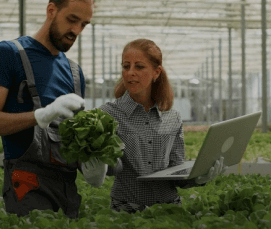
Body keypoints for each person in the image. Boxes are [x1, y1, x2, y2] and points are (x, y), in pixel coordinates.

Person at [0, 0, 95, 219]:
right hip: (27, 185)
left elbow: (72, 139)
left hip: (67, 189)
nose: (76, 30)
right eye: (72, 19)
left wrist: (94, 160)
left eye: (83, 24)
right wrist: (40, 115)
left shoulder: (75, 73)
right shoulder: (10, 54)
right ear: (51, 10)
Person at [95, 38, 225, 214]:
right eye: (126, 66)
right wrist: (97, 164)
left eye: (139, 66)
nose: (130, 72)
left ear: (156, 72)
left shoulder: (173, 117)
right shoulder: (108, 114)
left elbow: (176, 171)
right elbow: (109, 169)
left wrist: (199, 177)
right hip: (126, 211)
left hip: (170, 210)